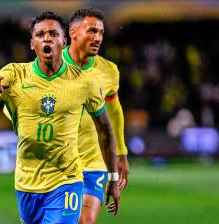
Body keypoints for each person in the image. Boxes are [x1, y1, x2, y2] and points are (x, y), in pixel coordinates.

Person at [0, 11, 120, 224]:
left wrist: (112, 178)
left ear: (63, 41)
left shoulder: (84, 82)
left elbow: (105, 130)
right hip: (27, 183)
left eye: (53, 33)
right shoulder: (14, 75)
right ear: (32, 44)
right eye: (40, 34)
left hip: (66, 180)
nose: (47, 38)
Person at [63, 8, 130, 224]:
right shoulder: (51, 65)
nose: (98, 38)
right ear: (73, 33)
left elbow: (115, 110)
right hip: (58, 163)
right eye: (91, 31)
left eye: (101, 32)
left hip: (93, 162)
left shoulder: (109, 71)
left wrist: (121, 153)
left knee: (85, 221)